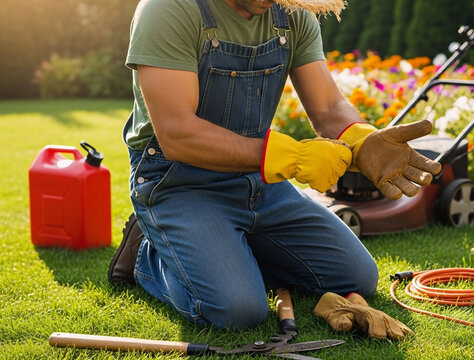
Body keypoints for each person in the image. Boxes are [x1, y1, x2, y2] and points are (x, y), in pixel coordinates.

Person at [108, 0, 441, 340]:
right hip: (179, 182)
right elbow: (178, 134)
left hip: (259, 179)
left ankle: (227, 249)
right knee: (238, 310)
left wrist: (363, 139)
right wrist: (293, 157)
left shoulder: (292, 13)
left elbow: (328, 106)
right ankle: (148, 257)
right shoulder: (170, 9)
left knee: (357, 276)